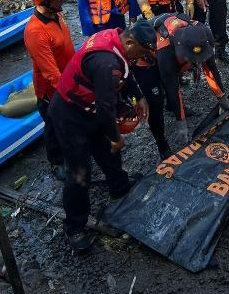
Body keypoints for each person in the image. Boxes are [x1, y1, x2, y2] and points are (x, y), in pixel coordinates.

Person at [48, 21, 156, 252]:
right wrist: (116, 137)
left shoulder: (117, 38)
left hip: (92, 109)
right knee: (80, 172)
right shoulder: (106, 63)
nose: (141, 57)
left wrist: (139, 96)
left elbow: (126, 73)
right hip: (70, 114)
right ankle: (74, 227)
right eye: (142, 52)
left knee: (108, 153)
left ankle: (119, 186)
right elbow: (106, 107)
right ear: (130, 42)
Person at [150, 13, 229, 145]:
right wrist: (181, 123)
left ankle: (172, 106)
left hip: (177, 49)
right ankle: (162, 139)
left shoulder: (203, 34)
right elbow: (173, 88)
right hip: (149, 57)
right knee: (159, 92)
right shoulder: (165, 51)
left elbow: (211, 70)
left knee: (176, 77)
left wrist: (223, 99)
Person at [24, 0, 75, 181]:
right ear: (45, 1)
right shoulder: (36, 32)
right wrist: (72, 94)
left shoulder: (57, 15)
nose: (63, 0)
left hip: (68, 78)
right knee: (54, 126)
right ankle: (56, 162)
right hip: (51, 91)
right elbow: (51, 73)